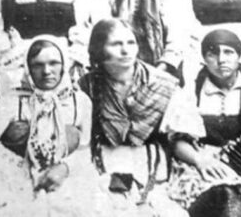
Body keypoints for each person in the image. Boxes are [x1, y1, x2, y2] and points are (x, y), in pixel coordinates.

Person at [0, 36, 94, 216]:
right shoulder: (12, 103)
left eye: (53, 63)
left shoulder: (80, 102)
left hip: (62, 179)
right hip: (9, 181)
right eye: (37, 65)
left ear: (64, 65)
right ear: (28, 68)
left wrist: (65, 167)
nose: (46, 71)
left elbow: (86, 149)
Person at [79, 19, 205, 217]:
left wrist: (199, 160)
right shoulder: (86, 86)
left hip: (153, 167)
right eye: (116, 44)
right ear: (99, 49)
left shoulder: (164, 85)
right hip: (103, 167)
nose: (125, 51)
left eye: (131, 43)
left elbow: (178, 138)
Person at [166, 29, 241, 215]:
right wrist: (200, 161)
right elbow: (177, 142)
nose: (221, 60)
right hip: (201, 164)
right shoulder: (192, 90)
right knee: (223, 197)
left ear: (239, 56)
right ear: (204, 58)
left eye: (229, 52)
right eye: (212, 54)